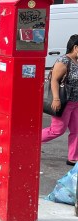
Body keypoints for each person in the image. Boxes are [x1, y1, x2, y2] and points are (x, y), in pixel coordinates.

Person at [42, 34, 78, 166]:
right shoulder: (63, 61)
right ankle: (31, 142)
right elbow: (54, 81)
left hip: (76, 103)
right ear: (76, 47)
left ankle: (73, 157)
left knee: (76, 130)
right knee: (57, 130)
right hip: (64, 102)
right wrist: (56, 99)